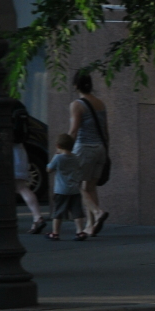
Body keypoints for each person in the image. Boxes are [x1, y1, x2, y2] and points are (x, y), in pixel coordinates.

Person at [67, 71, 110, 236]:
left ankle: (98, 213)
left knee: (76, 185)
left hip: (84, 148)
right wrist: (106, 152)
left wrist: (64, 151)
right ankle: (91, 225)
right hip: (100, 148)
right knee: (90, 187)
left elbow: (73, 131)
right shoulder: (100, 103)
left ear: (76, 85)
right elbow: (106, 132)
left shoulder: (77, 104)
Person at [46, 133, 88, 241]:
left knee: (58, 212)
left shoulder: (58, 158)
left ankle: (55, 233)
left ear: (58, 145)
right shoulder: (76, 158)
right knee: (77, 211)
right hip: (74, 189)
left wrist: (53, 159)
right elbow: (80, 169)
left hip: (61, 190)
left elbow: (49, 169)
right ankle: (80, 231)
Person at [13, 109, 44, 234]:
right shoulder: (15, 105)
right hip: (19, 152)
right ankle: (37, 217)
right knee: (22, 187)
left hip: (5, 153)